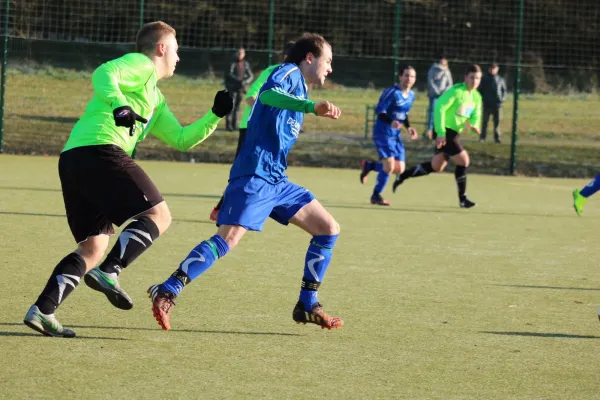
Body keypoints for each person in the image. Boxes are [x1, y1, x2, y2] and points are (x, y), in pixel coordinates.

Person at [23, 21, 233, 338]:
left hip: (74, 158)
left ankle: (43, 311)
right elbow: (103, 74)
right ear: (161, 48)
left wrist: (214, 115)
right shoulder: (142, 66)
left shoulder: (155, 98)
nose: (179, 56)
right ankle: (111, 271)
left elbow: (180, 139)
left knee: (92, 247)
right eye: (176, 49)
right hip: (100, 149)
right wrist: (120, 105)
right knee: (159, 215)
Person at [147, 33, 344, 332]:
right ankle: (168, 289)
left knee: (328, 229)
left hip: (277, 179)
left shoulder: (301, 86)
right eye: (327, 61)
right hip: (256, 174)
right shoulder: (288, 72)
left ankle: (307, 303)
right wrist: (310, 107)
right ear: (309, 58)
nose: (329, 68)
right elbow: (266, 96)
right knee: (228, 239)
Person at [210, 41, 296, 222]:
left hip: (269, 132)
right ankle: (222, 209)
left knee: (263, 171)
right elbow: (251, 97)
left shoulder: (296, 79)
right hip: (250, 128)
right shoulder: (274, 71)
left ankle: (241, 208)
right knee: (243, 170)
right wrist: (264, 118)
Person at [392, 64, 483, 209]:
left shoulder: (476, 97)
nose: (475, 81)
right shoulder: (456, 91)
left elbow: (475, 115)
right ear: (466, 77)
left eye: (478, 78)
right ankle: (463, 199)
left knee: (437, 166)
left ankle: (403, 176)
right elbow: (439, 106)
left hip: (454, 133)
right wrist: (440, 133)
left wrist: (474, 126)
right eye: (472, 77)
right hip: (444, 131)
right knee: (464, 161)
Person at [359, 66, 418, 206]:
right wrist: (391, 121)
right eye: (406, 75)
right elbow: (380, 110)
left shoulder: (411, 95)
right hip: (383, 133)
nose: (409, 79)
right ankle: (376, 195)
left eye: (412, 76)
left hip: (395, 135)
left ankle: (369, 166)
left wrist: (409, 127)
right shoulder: (391, 92)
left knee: (400, 169)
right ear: (400, 77)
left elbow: (404, 114)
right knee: (389, 166)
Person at [224, 47, 254, 131]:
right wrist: (238, 80)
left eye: (241, 53)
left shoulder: (245, 64)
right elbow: (229, 74)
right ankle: (228, 125)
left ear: (244, 54)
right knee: (231, 106)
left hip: (241, 88)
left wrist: (245, 82)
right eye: (238, 53)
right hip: (232, 87)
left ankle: (234, 125)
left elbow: (250, 76)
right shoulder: (232, 63)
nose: (240, 55)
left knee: (237, 107)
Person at [425, 56, 453, 140]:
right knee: (432, 113)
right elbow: (430, 81)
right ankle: (429, 131)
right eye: (442, 63)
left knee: (441, 113)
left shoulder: (447, 71)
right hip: (434, 95)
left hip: (443, 96)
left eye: (445, 63)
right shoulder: (432, 69)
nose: (443, 64)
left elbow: (450, 83)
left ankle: (438, 132)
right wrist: (436, 91)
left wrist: (444, 91)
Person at [478, 63, 507, 143]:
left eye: (495, 68)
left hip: (497, 104)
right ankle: (482, 137)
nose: (493, 70)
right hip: (487, 104)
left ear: (497, 69)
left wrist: (502, 99)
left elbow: (504, 91)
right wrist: (483, 98)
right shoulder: (484, 79)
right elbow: (480, 90)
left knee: (497, 122)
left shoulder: (500, 79)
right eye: (491, 68)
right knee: (485, 122)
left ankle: (497, 138)